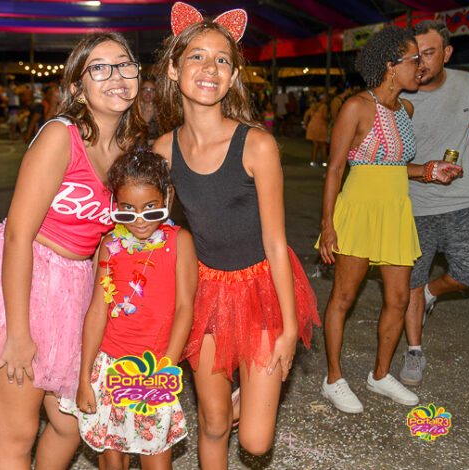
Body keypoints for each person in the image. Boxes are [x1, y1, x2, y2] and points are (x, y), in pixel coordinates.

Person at [0, 32, 145, 469]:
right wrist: (18, 334)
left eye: (124, 64)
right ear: (78, 87)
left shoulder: (129, 149)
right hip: (22, 281)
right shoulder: (60, 136)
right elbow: (17, 235)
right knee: (17, 433)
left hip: (74, 288)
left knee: (70, 425)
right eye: (99, 68)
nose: (116, 76)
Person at [153, 4, 319, 465]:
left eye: (222, 60)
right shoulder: (164, 149)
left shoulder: (257, 145)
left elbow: (276, 243)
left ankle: (249, 391)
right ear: (174, 69)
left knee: (256, 443)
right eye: (197, 56)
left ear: (233, 77)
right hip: (206, 293)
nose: (210, 68)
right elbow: (157, 231)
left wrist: (289, 329)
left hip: (262, 291)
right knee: (212, 423)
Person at [316, 25, 460, 414]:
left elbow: (394, 165)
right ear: (391, 65)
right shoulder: (356, 107)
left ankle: (379, 375)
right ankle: (333, 379)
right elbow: (336, 169)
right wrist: (328, 225)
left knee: (398, 299)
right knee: (343, 298)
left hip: (396, 211)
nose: (421, 68)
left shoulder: (406, 110)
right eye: (415, 60)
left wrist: (428, 170)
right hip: (359, 211)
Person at [60, 150, 196, 468]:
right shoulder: (109, 245)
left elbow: (184, 308)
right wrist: (84, 378)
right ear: (115, 205)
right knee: (112, 459)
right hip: (109, 367)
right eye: (127, 210)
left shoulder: (180, 242)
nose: (139, 220)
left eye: (150, 208)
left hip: (154, 366)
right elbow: (97, 310)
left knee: (155, 457)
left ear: (167, 198)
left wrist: (165, 369)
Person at [399, 21, 469, 387]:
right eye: (413, 55)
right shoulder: (398, 93)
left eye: (428, 53)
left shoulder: (467, 84)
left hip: (463, 200)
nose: (420, 63)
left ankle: (431, 292)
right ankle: (414, 351)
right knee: (411, 281)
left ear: (447, 53)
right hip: (413, 205)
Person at [304, 93, 329, 167]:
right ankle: (324, 162)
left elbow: (306, 114)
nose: (327, 99)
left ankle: (313, 162)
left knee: (315, 145)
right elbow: (325, 116)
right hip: (320, 126)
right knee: (323, 145)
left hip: (313, 125)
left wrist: (305, 124)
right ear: (322, 98)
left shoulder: (314, 105)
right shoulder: (324, 106)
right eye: (326, 97)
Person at [140, 78, 160, 145]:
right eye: (145, 89)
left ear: (156, 93)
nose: (148, 93)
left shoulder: (161, 112)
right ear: (140, 91)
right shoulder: (132, 111)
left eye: (152, 90)